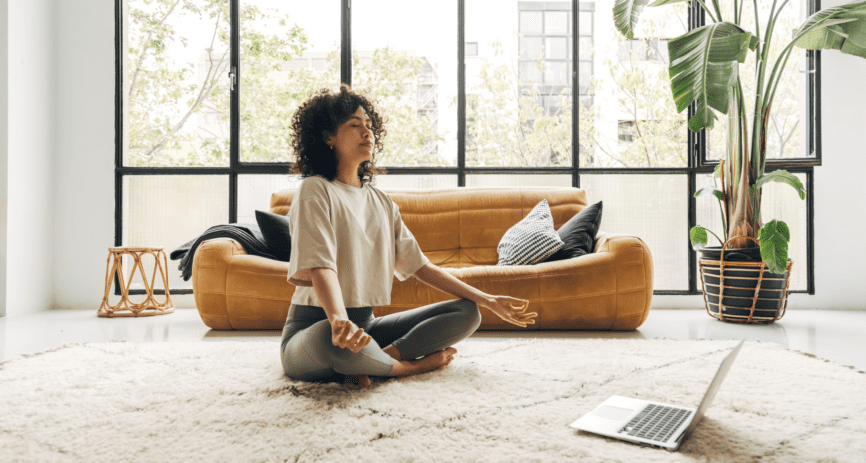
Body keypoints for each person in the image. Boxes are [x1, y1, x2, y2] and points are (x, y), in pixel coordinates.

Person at [281, 84, 536, 390]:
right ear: (328, 137)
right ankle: (407, 368)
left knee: (467, 312)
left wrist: (487, 299)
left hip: (366, 327)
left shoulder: (382, 202)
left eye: (369, 125)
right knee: (330, 340)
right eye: (354, 125)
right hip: (314, 329)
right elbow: (321, 265)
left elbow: (421, 267)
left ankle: (379, 359)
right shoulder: (315, 189)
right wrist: (337, 320)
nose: (367, 132)